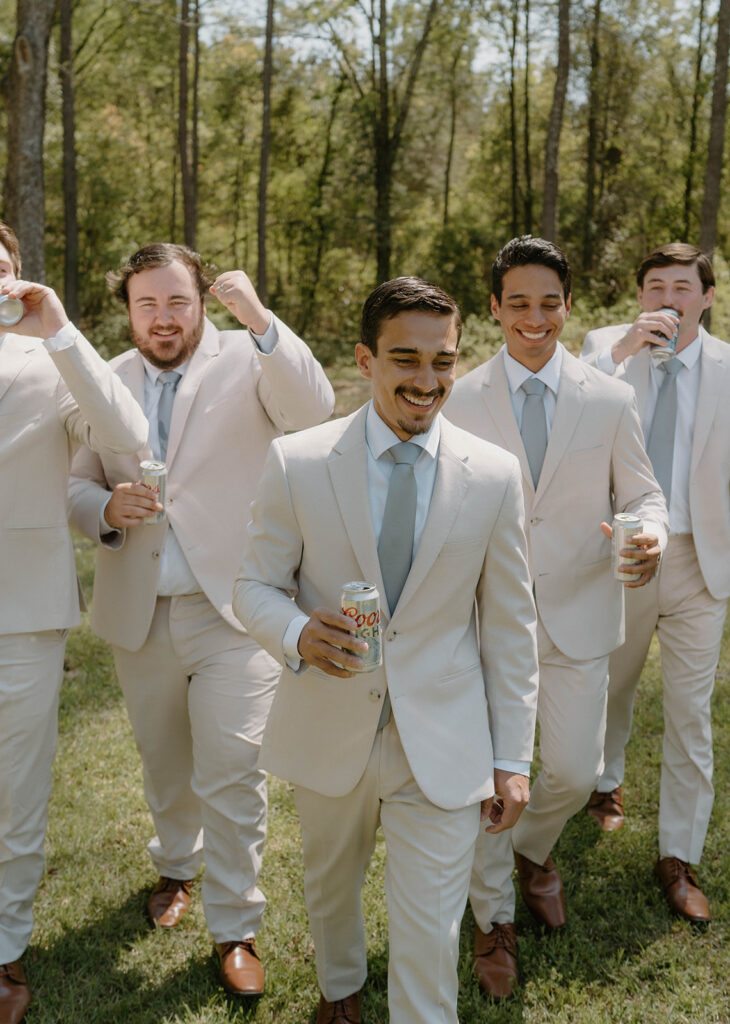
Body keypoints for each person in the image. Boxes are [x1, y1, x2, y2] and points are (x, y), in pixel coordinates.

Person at [233, 276, 540, 1024]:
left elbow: (510, 626)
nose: (427, 381)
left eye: (444, 361)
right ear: (366, 360)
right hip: (327, 721)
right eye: (407, 359)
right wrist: (297, 632)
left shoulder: (494, 475)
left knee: (431, 931)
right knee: (330, 885)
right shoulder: (299, 462)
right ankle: (340, 993)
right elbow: (252, 587)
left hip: (443, 738)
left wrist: (513, 757)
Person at [67, 243, 334, 996]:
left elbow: (316, 408)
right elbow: (75, 486)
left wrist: (257, 317)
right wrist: (103, 510)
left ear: (201, 302)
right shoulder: (103, 379)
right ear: (127, 310)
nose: (162, 318)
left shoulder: (247, 358)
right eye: (146, 304)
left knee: (236, 767)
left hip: (235, 610)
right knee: (165, 761)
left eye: (177, 302)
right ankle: (175, 866)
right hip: (138, 611)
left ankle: (236, 926)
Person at [445, 235, 668, 1001]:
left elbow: (642, 493)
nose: (534, 318)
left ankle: (534, 851)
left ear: (568, 308)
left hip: (581, 609)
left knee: (572, 772)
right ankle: (492, 920)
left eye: (549, 304)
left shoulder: (610, 398)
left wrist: (647, 534)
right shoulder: (462, 395)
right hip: (481, 620)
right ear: (496, 310)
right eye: (518, 304)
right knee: (489, 784)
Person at [0, 221, 148, 1024]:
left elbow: (129, 435)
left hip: (22, 614)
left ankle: (5, 948)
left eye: (3, 266)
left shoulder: (47, 362)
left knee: (16, 793)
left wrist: (59, 332)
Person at [581, 242, 730, 923]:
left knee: (690, 714)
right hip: (628, 550)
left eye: (682, 286)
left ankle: (679, 854)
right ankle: (604, 785)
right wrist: (619, 354)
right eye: (654, 286)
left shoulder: (729, 369)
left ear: (705, 296)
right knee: (612, 681)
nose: (667, 297)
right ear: (640, 296)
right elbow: (569, 414)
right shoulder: (604, 349)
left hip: (702, 561)